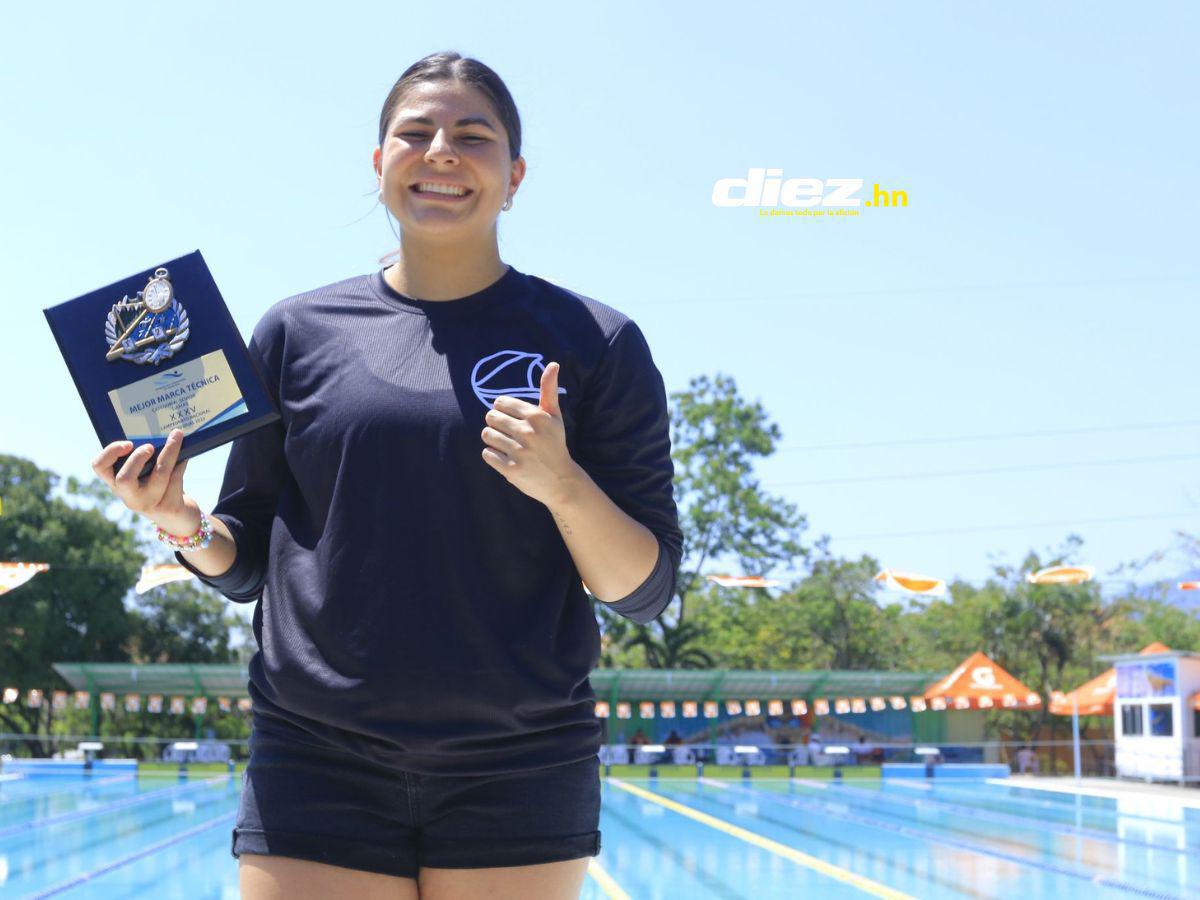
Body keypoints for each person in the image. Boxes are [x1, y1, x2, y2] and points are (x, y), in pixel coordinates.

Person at [89, 51, 682, 900]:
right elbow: (249, 559)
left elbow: (645, 588)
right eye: (416, 133)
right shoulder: (296, 331)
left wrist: (563, 483)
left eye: (472, 137)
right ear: (380, 165)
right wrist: (182, 522)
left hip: (517, 760)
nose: (441, 150)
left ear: (514, 176)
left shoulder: (596, 341)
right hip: (315, 751)